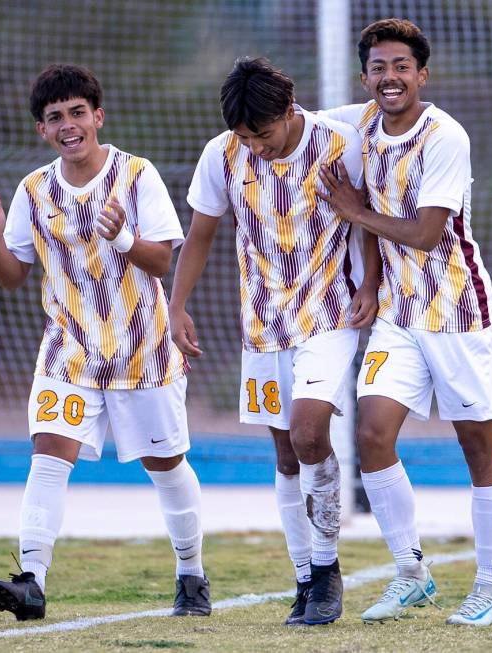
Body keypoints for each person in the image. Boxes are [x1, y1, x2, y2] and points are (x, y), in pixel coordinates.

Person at [0, 64, 210, 621]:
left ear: (97, 117)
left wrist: (122, 234)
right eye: (55, 118)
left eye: (77, 113)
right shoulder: (33, 189)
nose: (68, 125)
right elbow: (12, 276)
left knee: (166, 463)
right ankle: (31, 581)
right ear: (43, 130)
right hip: (69, 351)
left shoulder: (136, 175)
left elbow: (161, 259)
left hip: (142, 350)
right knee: (50, 453)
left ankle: (191, 574)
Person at [169, 57, 381, 626]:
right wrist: (176, 305)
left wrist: (373, 283)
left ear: (290, 111)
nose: (255, 146)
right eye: (245, 137)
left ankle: (329, 569)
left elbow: (368, 220)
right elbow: (200, 235)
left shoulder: (340, 144)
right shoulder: (221, 154)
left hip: (329, 314)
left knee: (312, 431)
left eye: (262, 134)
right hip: (261, 324)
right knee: (286, 452)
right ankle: (305, 577)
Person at [318, 18, 492, 627]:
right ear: (365, 77)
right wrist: (372, 283)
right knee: (372, 434)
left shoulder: (445, 137)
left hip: (457, 311)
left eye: (402, 66)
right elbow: (296, 120)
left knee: (476, 445)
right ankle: (411, 573)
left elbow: (427, 234)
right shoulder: (360, 124)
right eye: (379, 67)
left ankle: (489, 587)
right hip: (399, 316)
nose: (390, 77)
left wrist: (353, 209)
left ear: (421, 74)